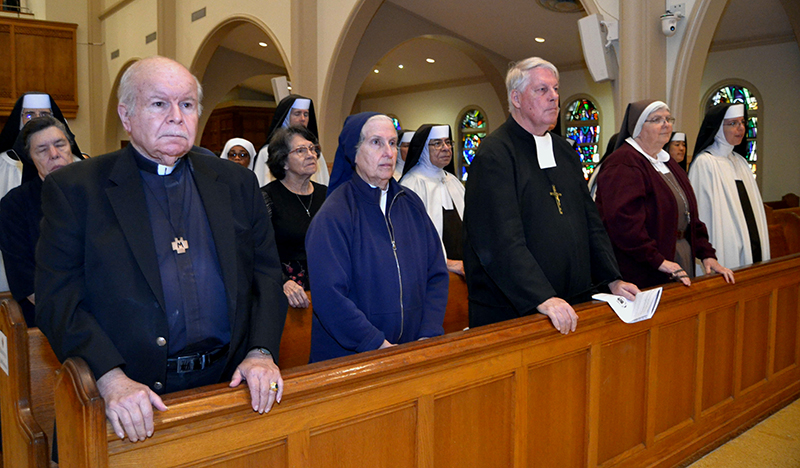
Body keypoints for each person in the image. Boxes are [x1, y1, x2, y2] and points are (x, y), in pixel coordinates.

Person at [36, 56, 288, 445]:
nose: (176, 116)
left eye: (186, 104)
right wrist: (111, 377)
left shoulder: (236, 183)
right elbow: (59, 299)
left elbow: (267, 275)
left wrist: (261, 351)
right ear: (126, 115)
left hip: (228, 385)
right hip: (129, 397)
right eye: (159, 103)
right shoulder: (76, 189)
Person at [462, 57, 639, 334]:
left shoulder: (564, 151)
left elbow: (590, 222)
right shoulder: (495, 154)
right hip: (518, 309)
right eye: (542, 90)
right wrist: (540, 296)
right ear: (516, 98)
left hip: (570, 302)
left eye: (556, 89)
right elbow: (499, 241)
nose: (554, 97)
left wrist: (612, 278)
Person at [306, 112, 448, 362]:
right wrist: (377, 344)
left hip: (412, 352)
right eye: (376, 142)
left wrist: (429, 333)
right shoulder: (334, 214)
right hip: (354, 358)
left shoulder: (410, 204)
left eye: (392, 143)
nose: (389, 152)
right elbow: (329, 296)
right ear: (354, 151)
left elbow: (435, 273)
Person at [595, 100, 733, 289]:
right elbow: (624, 224)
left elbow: (690, 215)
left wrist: (707, 254)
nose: (666, 124)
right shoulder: (624, 163)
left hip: (678, 256)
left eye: (668, 119)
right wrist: (658, 260)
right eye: (657, 119)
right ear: (638, 127)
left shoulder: (667, 162)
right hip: (643, 267)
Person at [0, 92, 83, 293]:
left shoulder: (95, 188)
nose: (54, 155)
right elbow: (27, 283)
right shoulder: (14, 205)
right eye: (42, 150)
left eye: (60, 145)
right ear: (31, 158)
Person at [688, 103, 770, 271]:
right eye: (733, 123)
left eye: (742, 122)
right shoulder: (705, 163)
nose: (740, 128)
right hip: (723, 247)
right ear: (718, 127)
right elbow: (702, 214)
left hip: (750, 245)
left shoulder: (740, 162)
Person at [262, 125, 327, 309]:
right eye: (301, 150)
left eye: (312, 148)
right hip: (286, 291)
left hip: (325, 285)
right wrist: (283, 281)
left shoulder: (328, 196)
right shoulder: (266, 198)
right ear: (283, 162)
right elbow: (259, 250)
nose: (310, 154)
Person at [400, 124, 465, 276]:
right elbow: (410, 238)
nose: (446, 148)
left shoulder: (453, 181)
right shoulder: (411, 185)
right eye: (437, 143)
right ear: (423, 148)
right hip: (431, 274)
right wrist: (446, 262)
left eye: (448, 142)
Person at [254, 95, 329, 186]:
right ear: (286, 117)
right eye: (297, 114)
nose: (302, 119)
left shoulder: (313, 151)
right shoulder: (267, 152)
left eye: (306, 114)